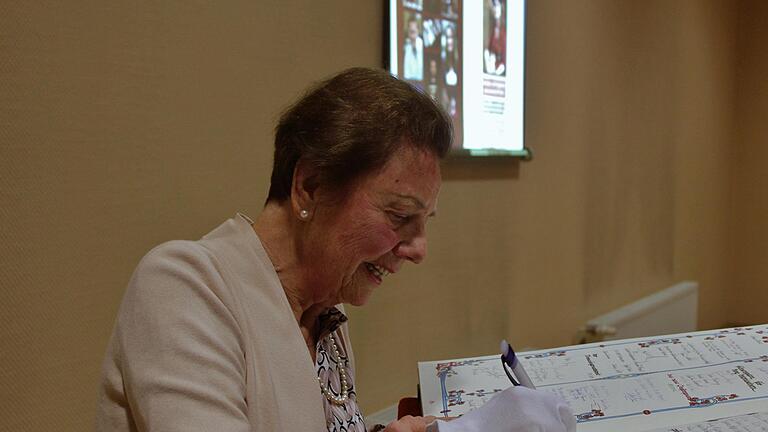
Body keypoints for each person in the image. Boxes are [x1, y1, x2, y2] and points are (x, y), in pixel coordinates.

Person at [95, 67, 575, 432]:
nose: (418, 249)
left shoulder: (322, 310)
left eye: (423, 222)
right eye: (399, 216)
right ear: (310, 185)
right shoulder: (184, 288)